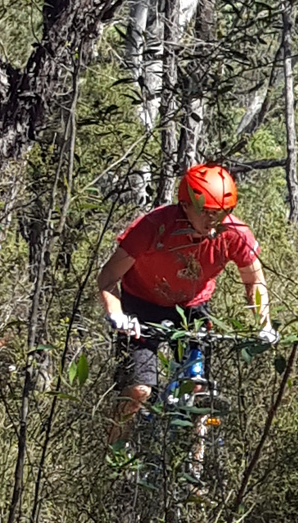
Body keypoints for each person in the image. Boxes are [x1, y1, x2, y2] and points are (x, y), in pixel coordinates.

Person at [97, 163, 274, 428]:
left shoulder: (235, 234)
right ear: (185, 205)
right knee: (139, 391)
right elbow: (108, 276)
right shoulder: (153, 227)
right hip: (141, 304)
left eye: (222, 213)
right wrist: (117, 315)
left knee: (197, 390)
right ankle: (116, 458)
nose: (213, 221)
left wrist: (264, 324)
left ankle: (195, 463)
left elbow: (254, 280)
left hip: (193, 307)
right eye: (205, 212)